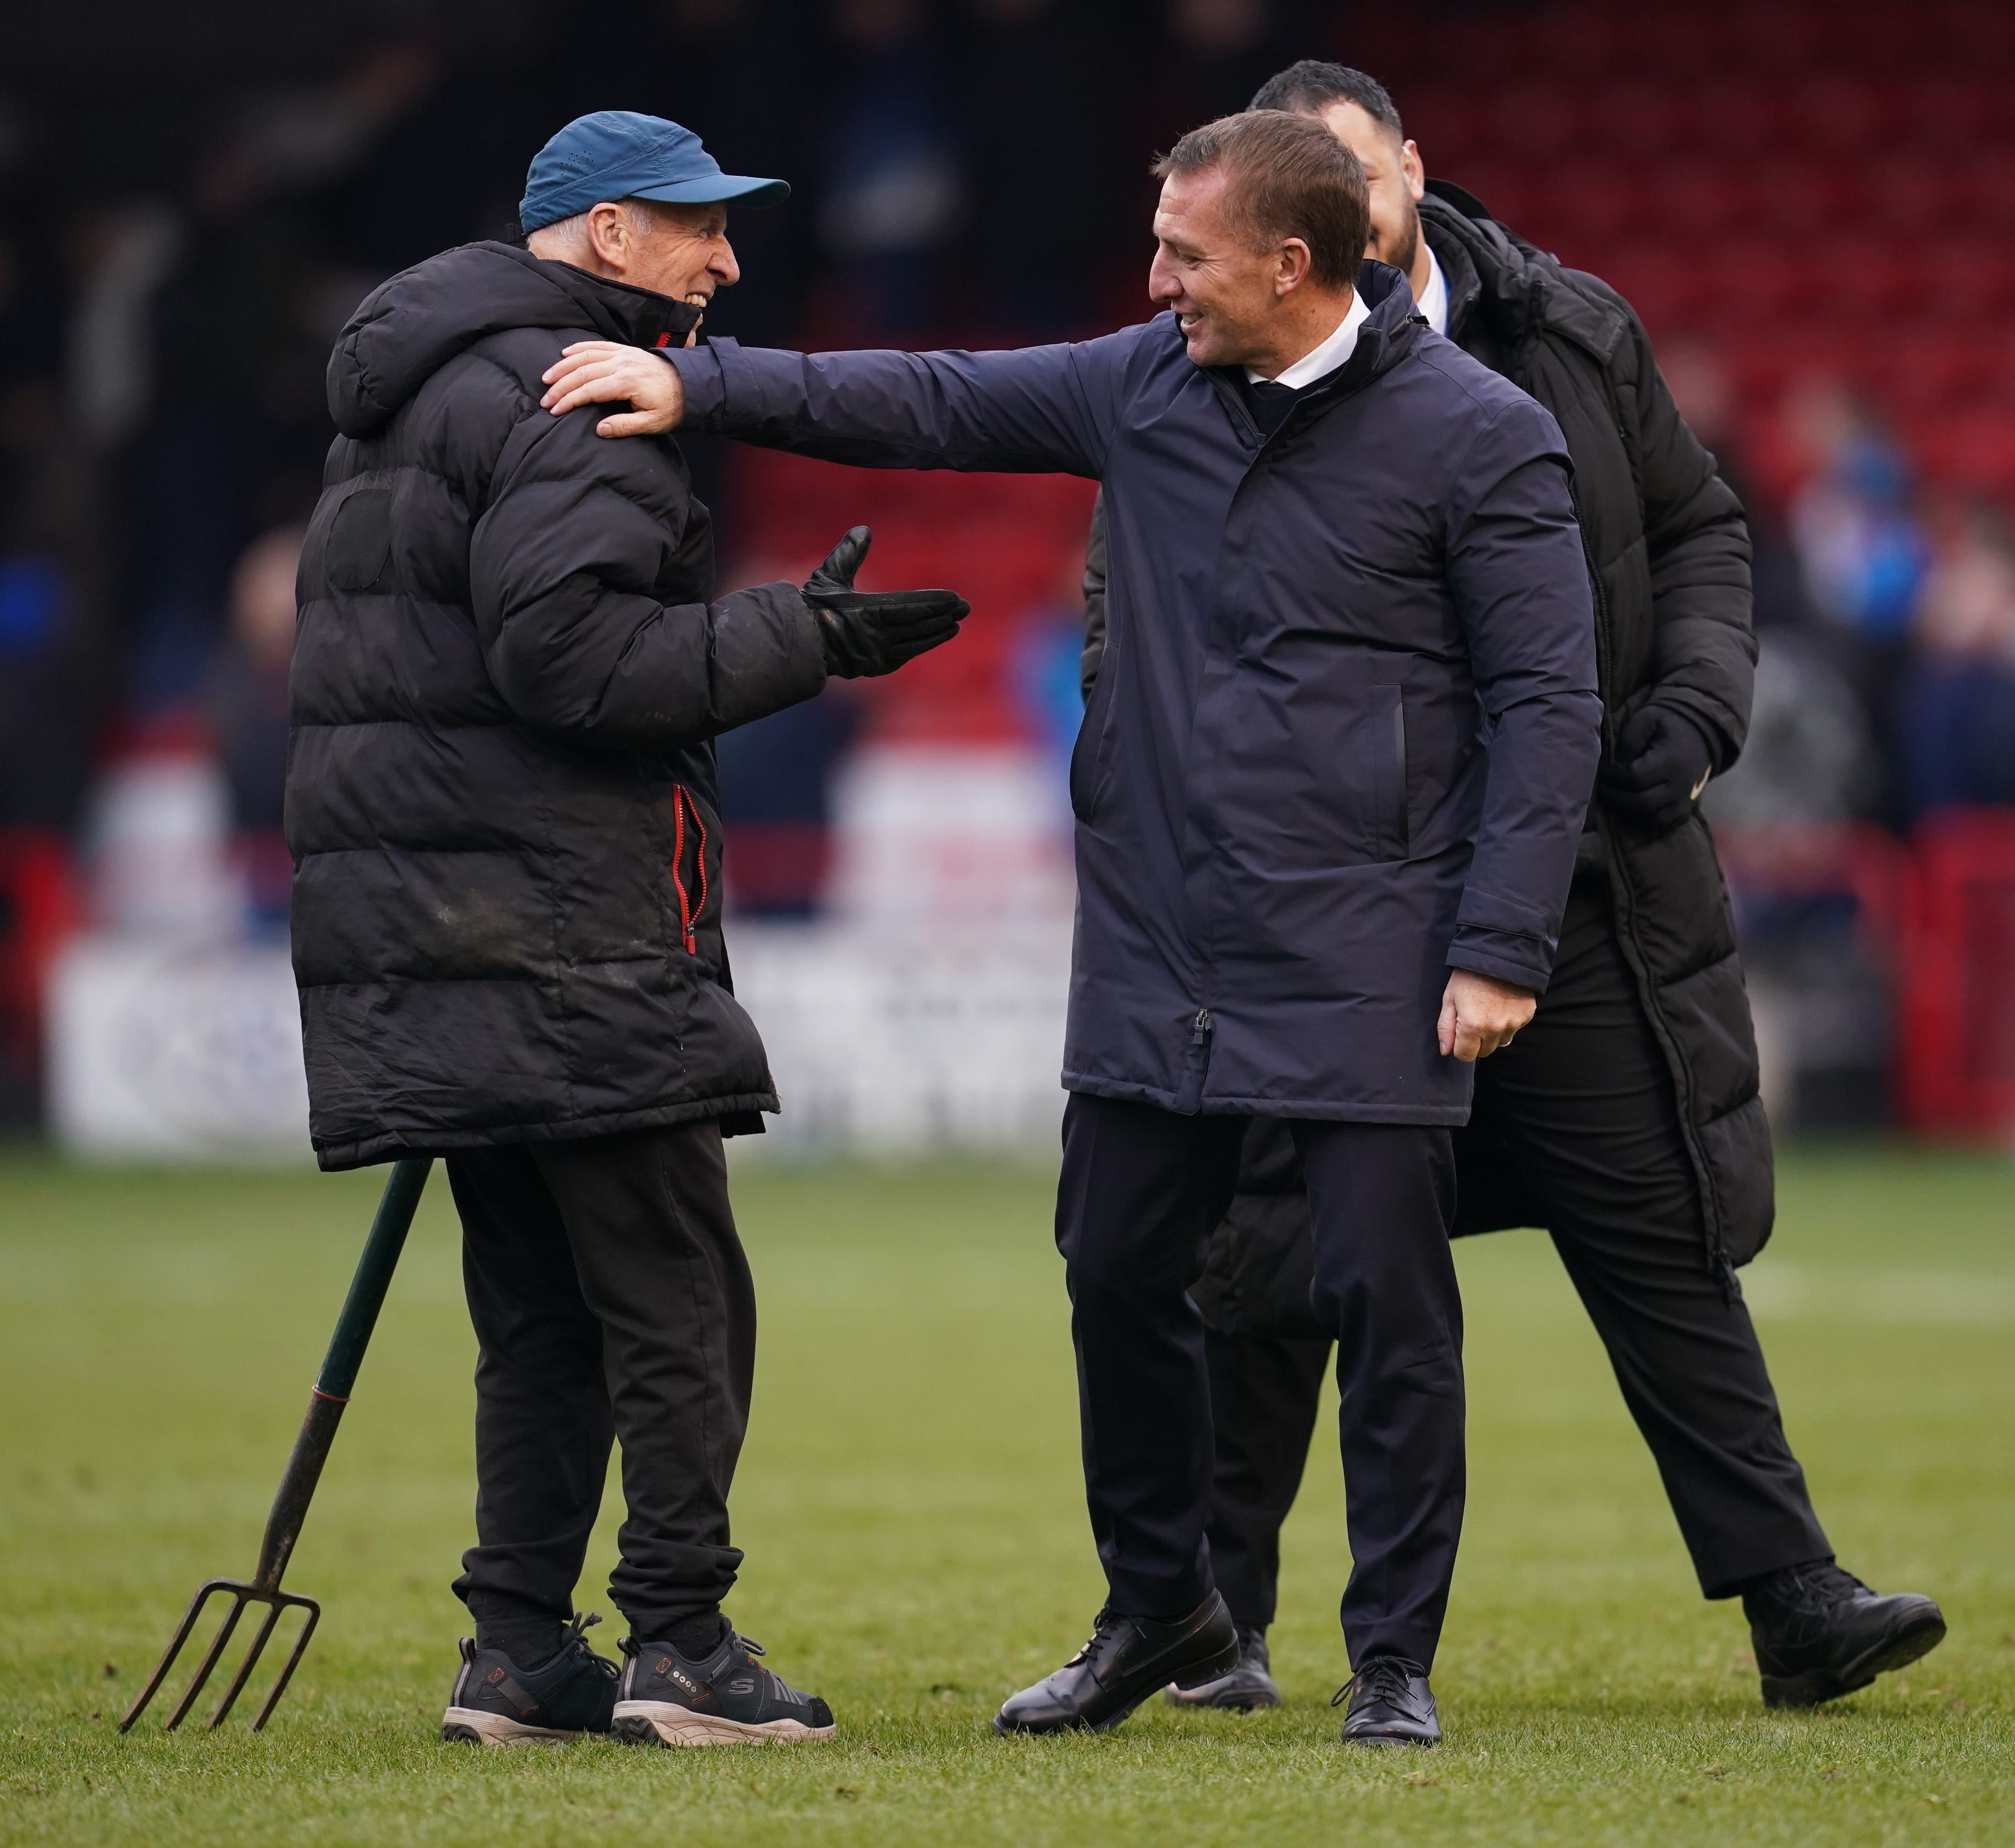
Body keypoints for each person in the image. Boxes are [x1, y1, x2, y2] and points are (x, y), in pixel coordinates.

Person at [548, 106, 1605, 1747]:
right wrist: (708, 382)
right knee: (1112, 1267)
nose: (1157, 279)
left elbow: (1551, 704)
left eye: (1184, 253)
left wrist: (1503, 941)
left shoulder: (1482, 436)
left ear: (1291, 262)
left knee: (1384, 1301)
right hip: (1161, 932)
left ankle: (1391, 1659)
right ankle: (1158, 1611)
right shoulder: (1146, 384)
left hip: (1372, 938)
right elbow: (929, 395)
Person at [1102, 59, 1940, 1718]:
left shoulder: (1570, 329)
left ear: (1408, 167)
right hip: (1335, 904)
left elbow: (1702, 529)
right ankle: (1221, 1625)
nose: (1341, 197)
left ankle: (1794, 1599)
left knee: (1658, 1240)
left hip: (1572, 890)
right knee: (1269, 1262)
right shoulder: (1218, 360)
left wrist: (1696, 719)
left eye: (1357, 165)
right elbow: (1138, 600)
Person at [289, 111, 971, 1749]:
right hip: (570, 924)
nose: (726, 264)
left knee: (535, 1310)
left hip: (432, 921)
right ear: (608, 238)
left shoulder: (404, 398)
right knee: (676, 1302)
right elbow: (577, 668)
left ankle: (520, 1651)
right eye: (699, 231)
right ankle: (681, 1641)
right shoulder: (579, 398)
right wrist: (799, 638)